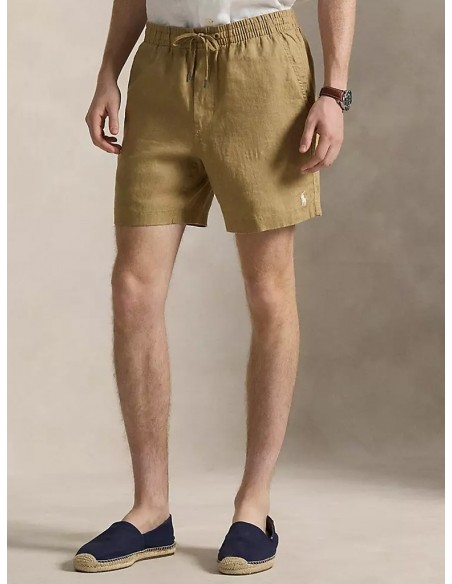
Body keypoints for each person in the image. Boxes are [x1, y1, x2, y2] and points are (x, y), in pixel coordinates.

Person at [73, 0, 355, 575]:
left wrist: (334, 91)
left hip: (261, 65)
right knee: (132, 289)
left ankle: (254, 506)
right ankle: (150, 509)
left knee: (268, 290)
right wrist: (108, 70)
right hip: (161, 66)